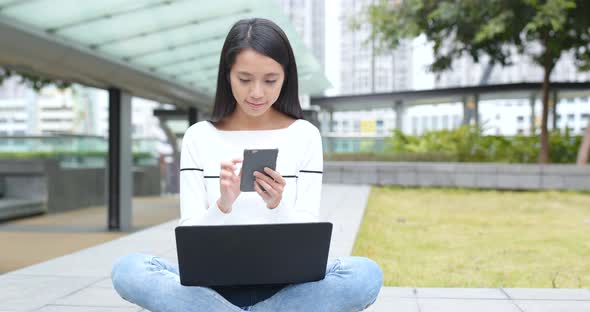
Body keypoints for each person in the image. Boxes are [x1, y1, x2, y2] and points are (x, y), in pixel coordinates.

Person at [111, 18, 383, 312]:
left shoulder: (304, 135)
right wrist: (222, 205)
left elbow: (307, 239)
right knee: (128, 269)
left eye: (270, 80)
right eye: (244, 79)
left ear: (286, 77)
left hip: (287, 289)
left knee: (365, 274)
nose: (256, 93)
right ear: (227, 75)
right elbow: (188, 233)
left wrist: (277, 206)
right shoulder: (198, 137)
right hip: (210, 288)